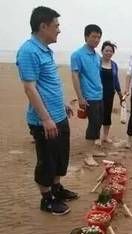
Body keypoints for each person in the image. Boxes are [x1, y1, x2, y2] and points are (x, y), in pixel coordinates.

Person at [16, 6, 78, 215]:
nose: (59, 30)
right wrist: (45, 118)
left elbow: (48, 84)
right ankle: (47, 199)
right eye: (56, 26)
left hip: (59, 115)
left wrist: (62, 105)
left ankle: (57, 189)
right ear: (43, 26)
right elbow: (30, 88)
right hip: (44, 120)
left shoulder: (45, 49)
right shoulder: (28, 51)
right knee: (47, 161)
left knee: (61, 157)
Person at [71, 24, 104, 166]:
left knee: (98, 122)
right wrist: (80, 98)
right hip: (89, 96)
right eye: (93, 36)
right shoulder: (77, 55)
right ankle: (88, 155)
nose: (96, 40)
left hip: (99, 94)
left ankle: (94, 150)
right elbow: (75, 76)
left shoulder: (97, 56)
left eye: (98, 37)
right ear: (86, 37)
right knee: (93, 124)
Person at [100, 41, 123, 144]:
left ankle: (105, 136)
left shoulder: (114, 65)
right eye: (106, 50)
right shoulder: (97, 62)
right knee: (97, 115)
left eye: (111, 51)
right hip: (98, 93)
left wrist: (120, 93)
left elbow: (116, 80)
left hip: (110, 93)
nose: (108, 52)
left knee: (107, 114)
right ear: (102, 51)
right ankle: (96, 137)